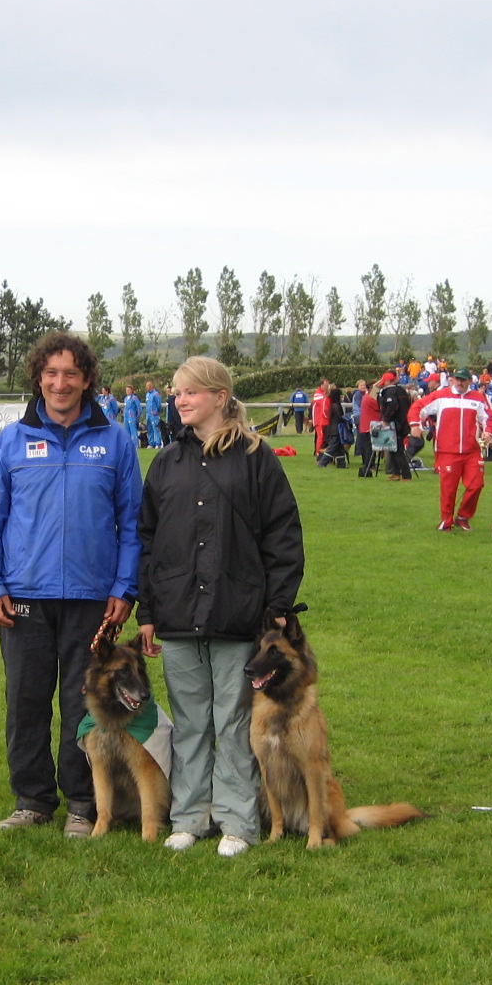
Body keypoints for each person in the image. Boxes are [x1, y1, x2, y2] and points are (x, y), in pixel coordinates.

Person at [0, 332, 142, 838]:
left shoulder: (115, 440)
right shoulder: (11, 440)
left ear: (86, 380)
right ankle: (32, 799)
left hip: (92, 600)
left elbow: (133, 525)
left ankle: (83, 804)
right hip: (23, 597)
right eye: (51, 373)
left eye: (70, 373)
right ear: (38, 378)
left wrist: (124, 588)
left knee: (81, 704)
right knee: (25, 701)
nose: (60, 383)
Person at [137, 357, 303, 858]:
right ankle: (189, 816)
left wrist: (277, 606)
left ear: (219, 396)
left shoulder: (257, 458)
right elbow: (147, 540)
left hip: (238, 612)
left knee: (232, 722)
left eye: (189, 391)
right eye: (176, 392)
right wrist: (148, 611)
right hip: (177, 612)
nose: (180, 400)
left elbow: (283, 534)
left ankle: (236, 820)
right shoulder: (167, 461)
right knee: (189, 722)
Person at [408, 366, 492, 531]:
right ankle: (446, 521)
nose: (460, 383)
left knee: (476, 484)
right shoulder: (441, 395)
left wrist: (488, 432)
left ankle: (463, 517)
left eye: (463, 380)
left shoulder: (478, 398)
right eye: (457, 379)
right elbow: (418, 407)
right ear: (452, 380)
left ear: (470, 381)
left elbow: (488, 418)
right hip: (447, 450)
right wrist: (415, 425)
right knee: (448, 489)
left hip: (472, 450)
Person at [377, 371, 413, 480]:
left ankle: (406, 475)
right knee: (393, 449)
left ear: (388, 381)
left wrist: (385, 419)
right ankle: (396, 472)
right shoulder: (401, 390)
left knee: (397, 450)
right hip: (404, 422)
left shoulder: (390, 392)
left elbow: (392, 406)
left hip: (396, 424)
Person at [145, 380, 164, 448]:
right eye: (146, 386)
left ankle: (158, 443)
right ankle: (151, 443)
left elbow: (159, 404)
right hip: (148, 415)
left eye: (148, 386)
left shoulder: (156, 394)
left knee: (156, 429)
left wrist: (156, 412)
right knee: (149, 429)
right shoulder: (147, 394)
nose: (147, 387)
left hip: (154, 415)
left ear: (152, 386)